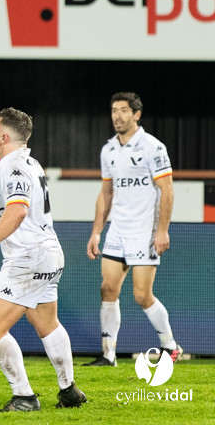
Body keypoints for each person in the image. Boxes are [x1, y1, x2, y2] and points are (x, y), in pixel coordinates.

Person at [0, 108, 86, 412]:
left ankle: (24, 397)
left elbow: (18, 210)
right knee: (47, 324)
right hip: (48, 254)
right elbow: (22, 213)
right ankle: (69, 391)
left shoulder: (12, 167)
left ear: (4, 136)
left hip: (29, 258)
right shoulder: (30, 162)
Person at [84, 92, 180, 366]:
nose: (118, 116)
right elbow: (106, 194)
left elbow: (167, 190)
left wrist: (162, 231)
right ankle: (108, 354)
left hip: (144, 232)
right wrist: (96, 232)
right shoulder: (109, 150)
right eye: (114, 110)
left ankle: (170, 346)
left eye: (124, 110)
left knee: (141, 295)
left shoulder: (153, 147)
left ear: (137, 114)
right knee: (107, 289)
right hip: (117, 231)